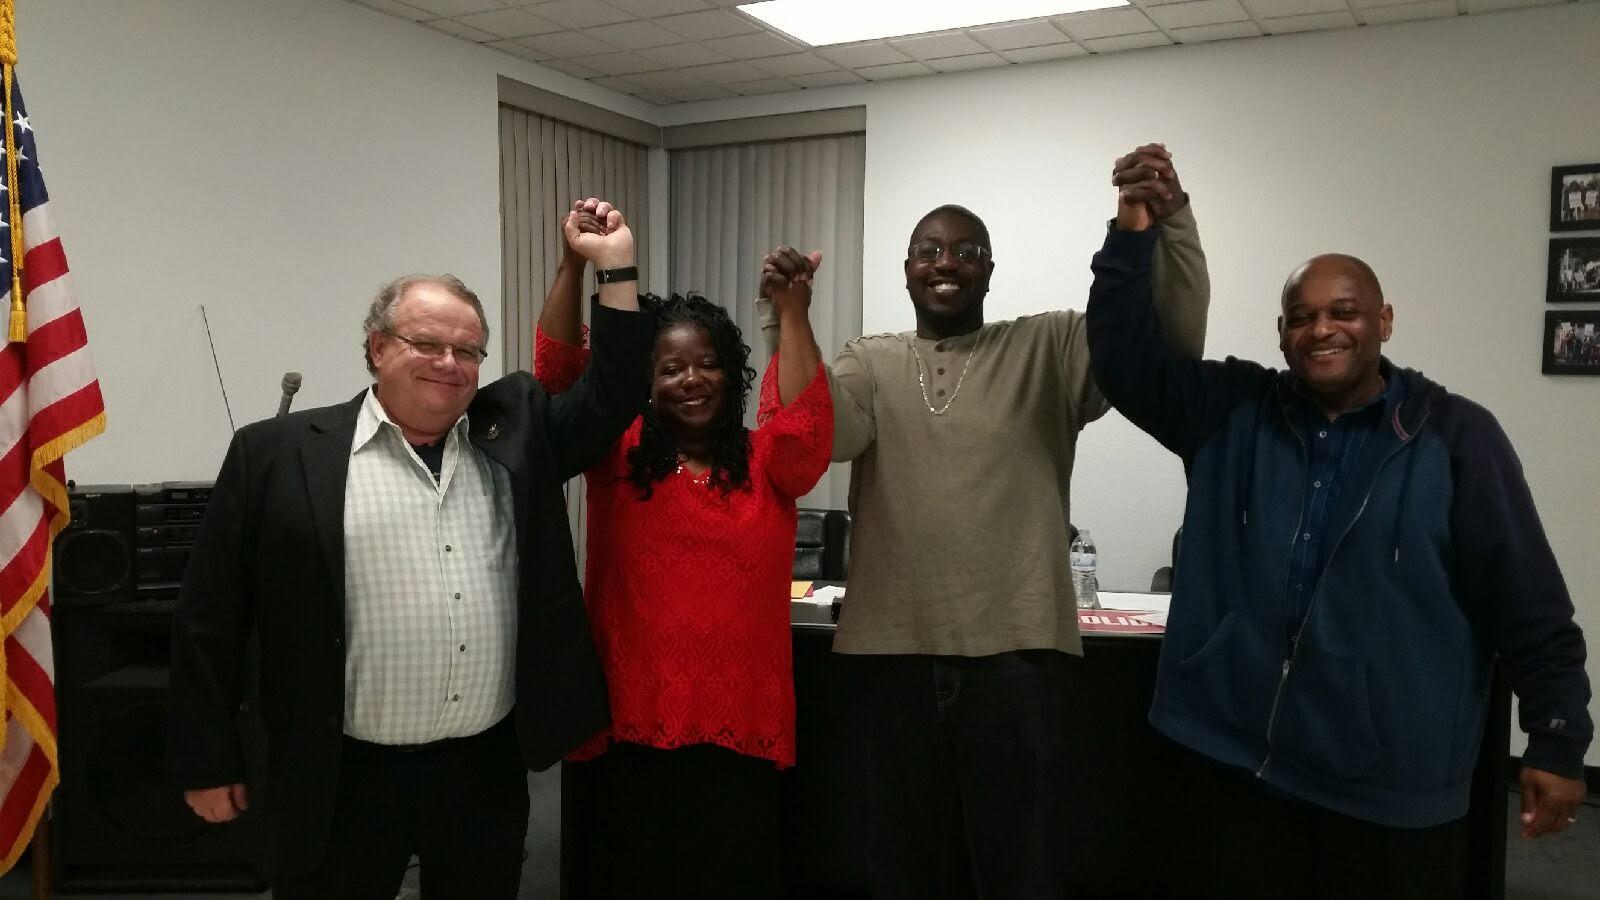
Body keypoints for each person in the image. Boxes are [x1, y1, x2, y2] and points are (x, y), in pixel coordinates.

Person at [1086, 171, 1592, 899]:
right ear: (1282, 333)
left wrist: (1557, 735)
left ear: (1384, 321)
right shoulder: (1230, 411)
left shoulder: (1456, 438)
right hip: (1229, 759)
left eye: (1344, 312)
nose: (1321, 329)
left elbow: (1527, 597)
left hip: (1383, 785)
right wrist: (1133, 232)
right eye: (1301, 316)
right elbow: (1125, 361)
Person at [758, 143, 1210, 898]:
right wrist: (788, 320)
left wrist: (1169, 226)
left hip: (1019, 661)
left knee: (1022, 866)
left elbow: (1164, 340)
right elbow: (821, 437)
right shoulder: (867, 360)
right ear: (906, 269)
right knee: (896, 866)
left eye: (966, 251)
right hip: (889, 657)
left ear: (989, 271)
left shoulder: (1049, 345)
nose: (947, 263)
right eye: (929, 251)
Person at [166, 199, 653, 898]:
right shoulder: (277, 455)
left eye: (468, 350)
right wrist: (206, 758)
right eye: (427, 343)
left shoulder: (516, 431)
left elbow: (613, 393)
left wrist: (615, 266)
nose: (449, 364)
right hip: (339, 773)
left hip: (483, 769)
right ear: (376, 347)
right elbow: (209, 617)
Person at [532, 218, 832, 897]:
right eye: (669, 368)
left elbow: (808, 431)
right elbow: (557, 377)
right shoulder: (618, 448)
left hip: (740, 735)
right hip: (624, 732)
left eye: (706, 363)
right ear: (644, 381)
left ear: (731, 372)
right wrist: (573, 266)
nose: (691, 380)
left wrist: (791, 310)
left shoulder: (768, 464)